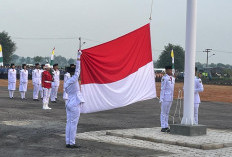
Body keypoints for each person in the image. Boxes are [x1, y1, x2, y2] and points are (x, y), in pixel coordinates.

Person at [64, 51, 85, 148]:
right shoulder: (73, 79)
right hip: (74, 103)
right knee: (73, 124)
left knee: (69, 123)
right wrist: (78, 57)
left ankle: (68, 142)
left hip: (69, 102)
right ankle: (72, 142)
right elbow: (78, 69)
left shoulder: (67, 82)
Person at [159, 66, 175, 133]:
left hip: (170, 98)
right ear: (166, 70)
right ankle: (163, 126)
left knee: (167, 113)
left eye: (171, 70)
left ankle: (166, 125)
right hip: (165, 97)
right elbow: (163, 89)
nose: (171, 71)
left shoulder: (173, 78)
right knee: (163, 113)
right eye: (169, 70)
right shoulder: (164, 78)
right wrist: (161, 98)